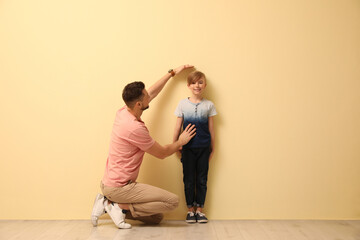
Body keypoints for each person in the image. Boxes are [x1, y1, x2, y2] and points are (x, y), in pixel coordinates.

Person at [91, 65, 196, 229]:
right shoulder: (134, 128)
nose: (150, 96)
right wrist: (180, 142)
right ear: (139, 104)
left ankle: (110, 203)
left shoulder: (123, 111)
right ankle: (115, 205)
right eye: (146, 96)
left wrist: (171, 73)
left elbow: (152, 92)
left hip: (110, 184)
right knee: (171, 202)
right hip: (120, 187)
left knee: (156, 218)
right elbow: (162, 153)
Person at [173, 71, 217, 223]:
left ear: (205, 85)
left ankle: (200, 210)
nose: (197, 85)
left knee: (202, 179)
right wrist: (175, 145)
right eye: (193, 83)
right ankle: (190, 210)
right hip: (188, 148)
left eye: (200, 82)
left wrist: (213, 148)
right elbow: (177, 126)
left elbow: (212, 129)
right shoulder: (182, 104)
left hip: (204, 148)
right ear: (188, 85)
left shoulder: (209, 105)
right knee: (189, 179)